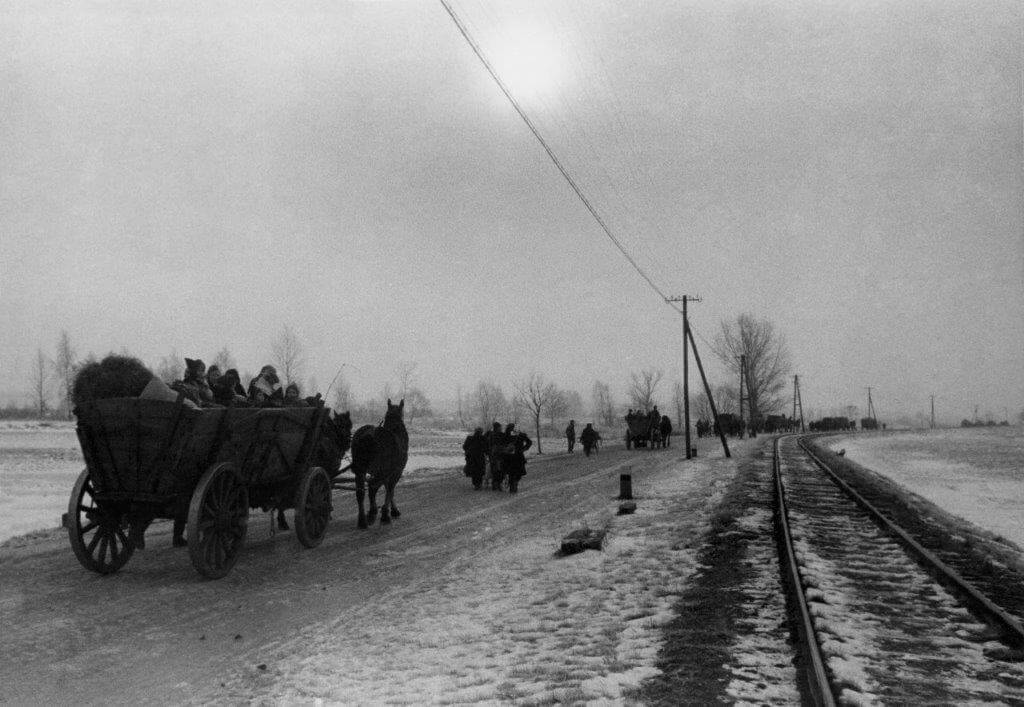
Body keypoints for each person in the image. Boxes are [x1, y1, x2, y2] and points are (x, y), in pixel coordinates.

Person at [502, 423, 532, 493]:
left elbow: (529, 442)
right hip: (515, 456)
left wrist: (524, 449)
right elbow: (529, 442)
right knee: (515, 473)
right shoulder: (510, 435)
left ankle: (513, 484)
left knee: (513, 473)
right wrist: (523, 449)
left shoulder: (508, 435)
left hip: (511, 456)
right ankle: (513, 485)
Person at [484, 422, 506, 490]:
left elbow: (485, 442)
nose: (501, 428)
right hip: (498, 455)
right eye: (500, 427)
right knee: (499, 469)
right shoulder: (500, 434)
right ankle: (498, 483)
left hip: (493, 455)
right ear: (497, 427)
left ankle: (495, 483)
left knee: (495, 469)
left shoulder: (489, 433)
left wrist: (487, 452)